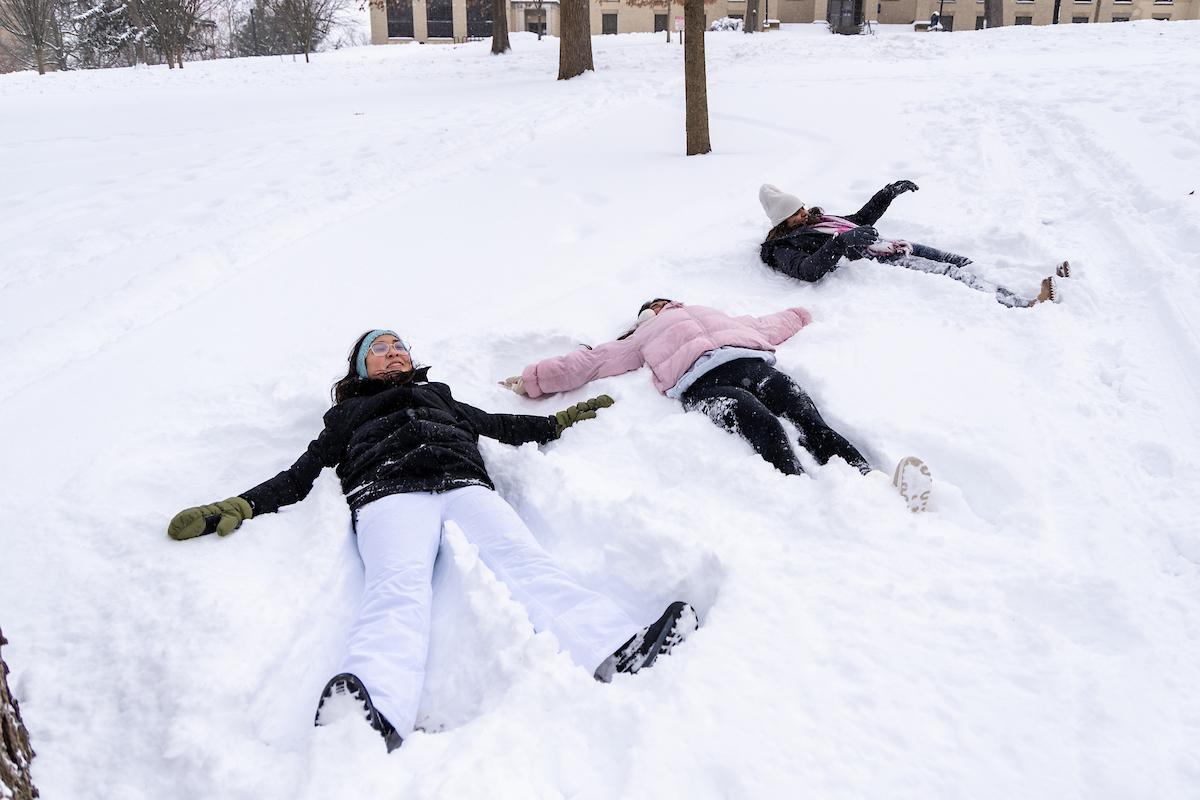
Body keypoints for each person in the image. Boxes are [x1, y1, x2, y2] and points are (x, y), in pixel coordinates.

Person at [166, 330, 697, 752]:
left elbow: (497, 424)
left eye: (400, 345)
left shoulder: (436, 394)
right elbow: (299, 474)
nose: (394, 353)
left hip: (465, 485)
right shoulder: (345, 416)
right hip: (388, 495)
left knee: (526, 563)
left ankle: (616, 647)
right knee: (397, 588)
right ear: (360, 367)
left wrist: (558, 420)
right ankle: (375, 705)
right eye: (380, 348)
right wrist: (236, 505)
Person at [502, 301, 933, 512]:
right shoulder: (638, 338)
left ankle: (871, 480)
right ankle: (808, 496)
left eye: (663, 301)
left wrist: (800, 314)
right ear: (643, 317)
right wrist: (534, 379)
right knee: (758, 420)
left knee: (803, 413)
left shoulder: (709, 312)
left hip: (749, 362)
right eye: (652, 307)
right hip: (700, 385)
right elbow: (589, 363)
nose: (661, 306)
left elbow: (763, 325)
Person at [758, 181, 1071, 308]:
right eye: (794, 213)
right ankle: (1023, 303)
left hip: (891, 245)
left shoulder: (817, 221)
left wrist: (887, 194)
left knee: (958, 260)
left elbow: (858, 219)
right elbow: (809, 271)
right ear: (781, 221)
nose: (802, 214)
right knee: (949, 272)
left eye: (800, 207)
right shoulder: (783, 248)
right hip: (877, 262)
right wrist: (841, 243)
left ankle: (1024, 278)